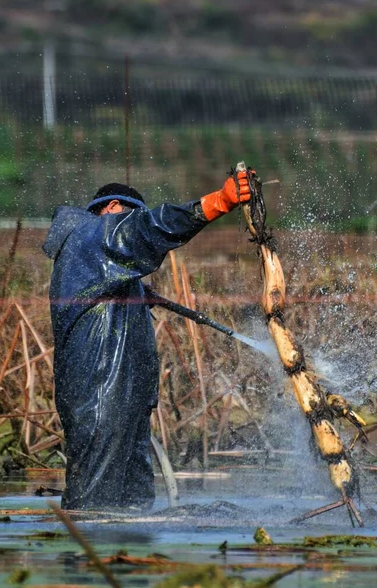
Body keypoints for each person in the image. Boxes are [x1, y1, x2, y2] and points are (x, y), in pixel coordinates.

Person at [43, 172, 252, 510]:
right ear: (111, 208)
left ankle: (129, 562)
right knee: (94, 505)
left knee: (133, 505)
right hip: (101, 399)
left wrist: (137, 294)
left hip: (124, 401)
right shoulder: (91, 233)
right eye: (128, 217)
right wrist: (218, 202)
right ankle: (84, 556)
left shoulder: (98, 259)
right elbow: (146, 229)